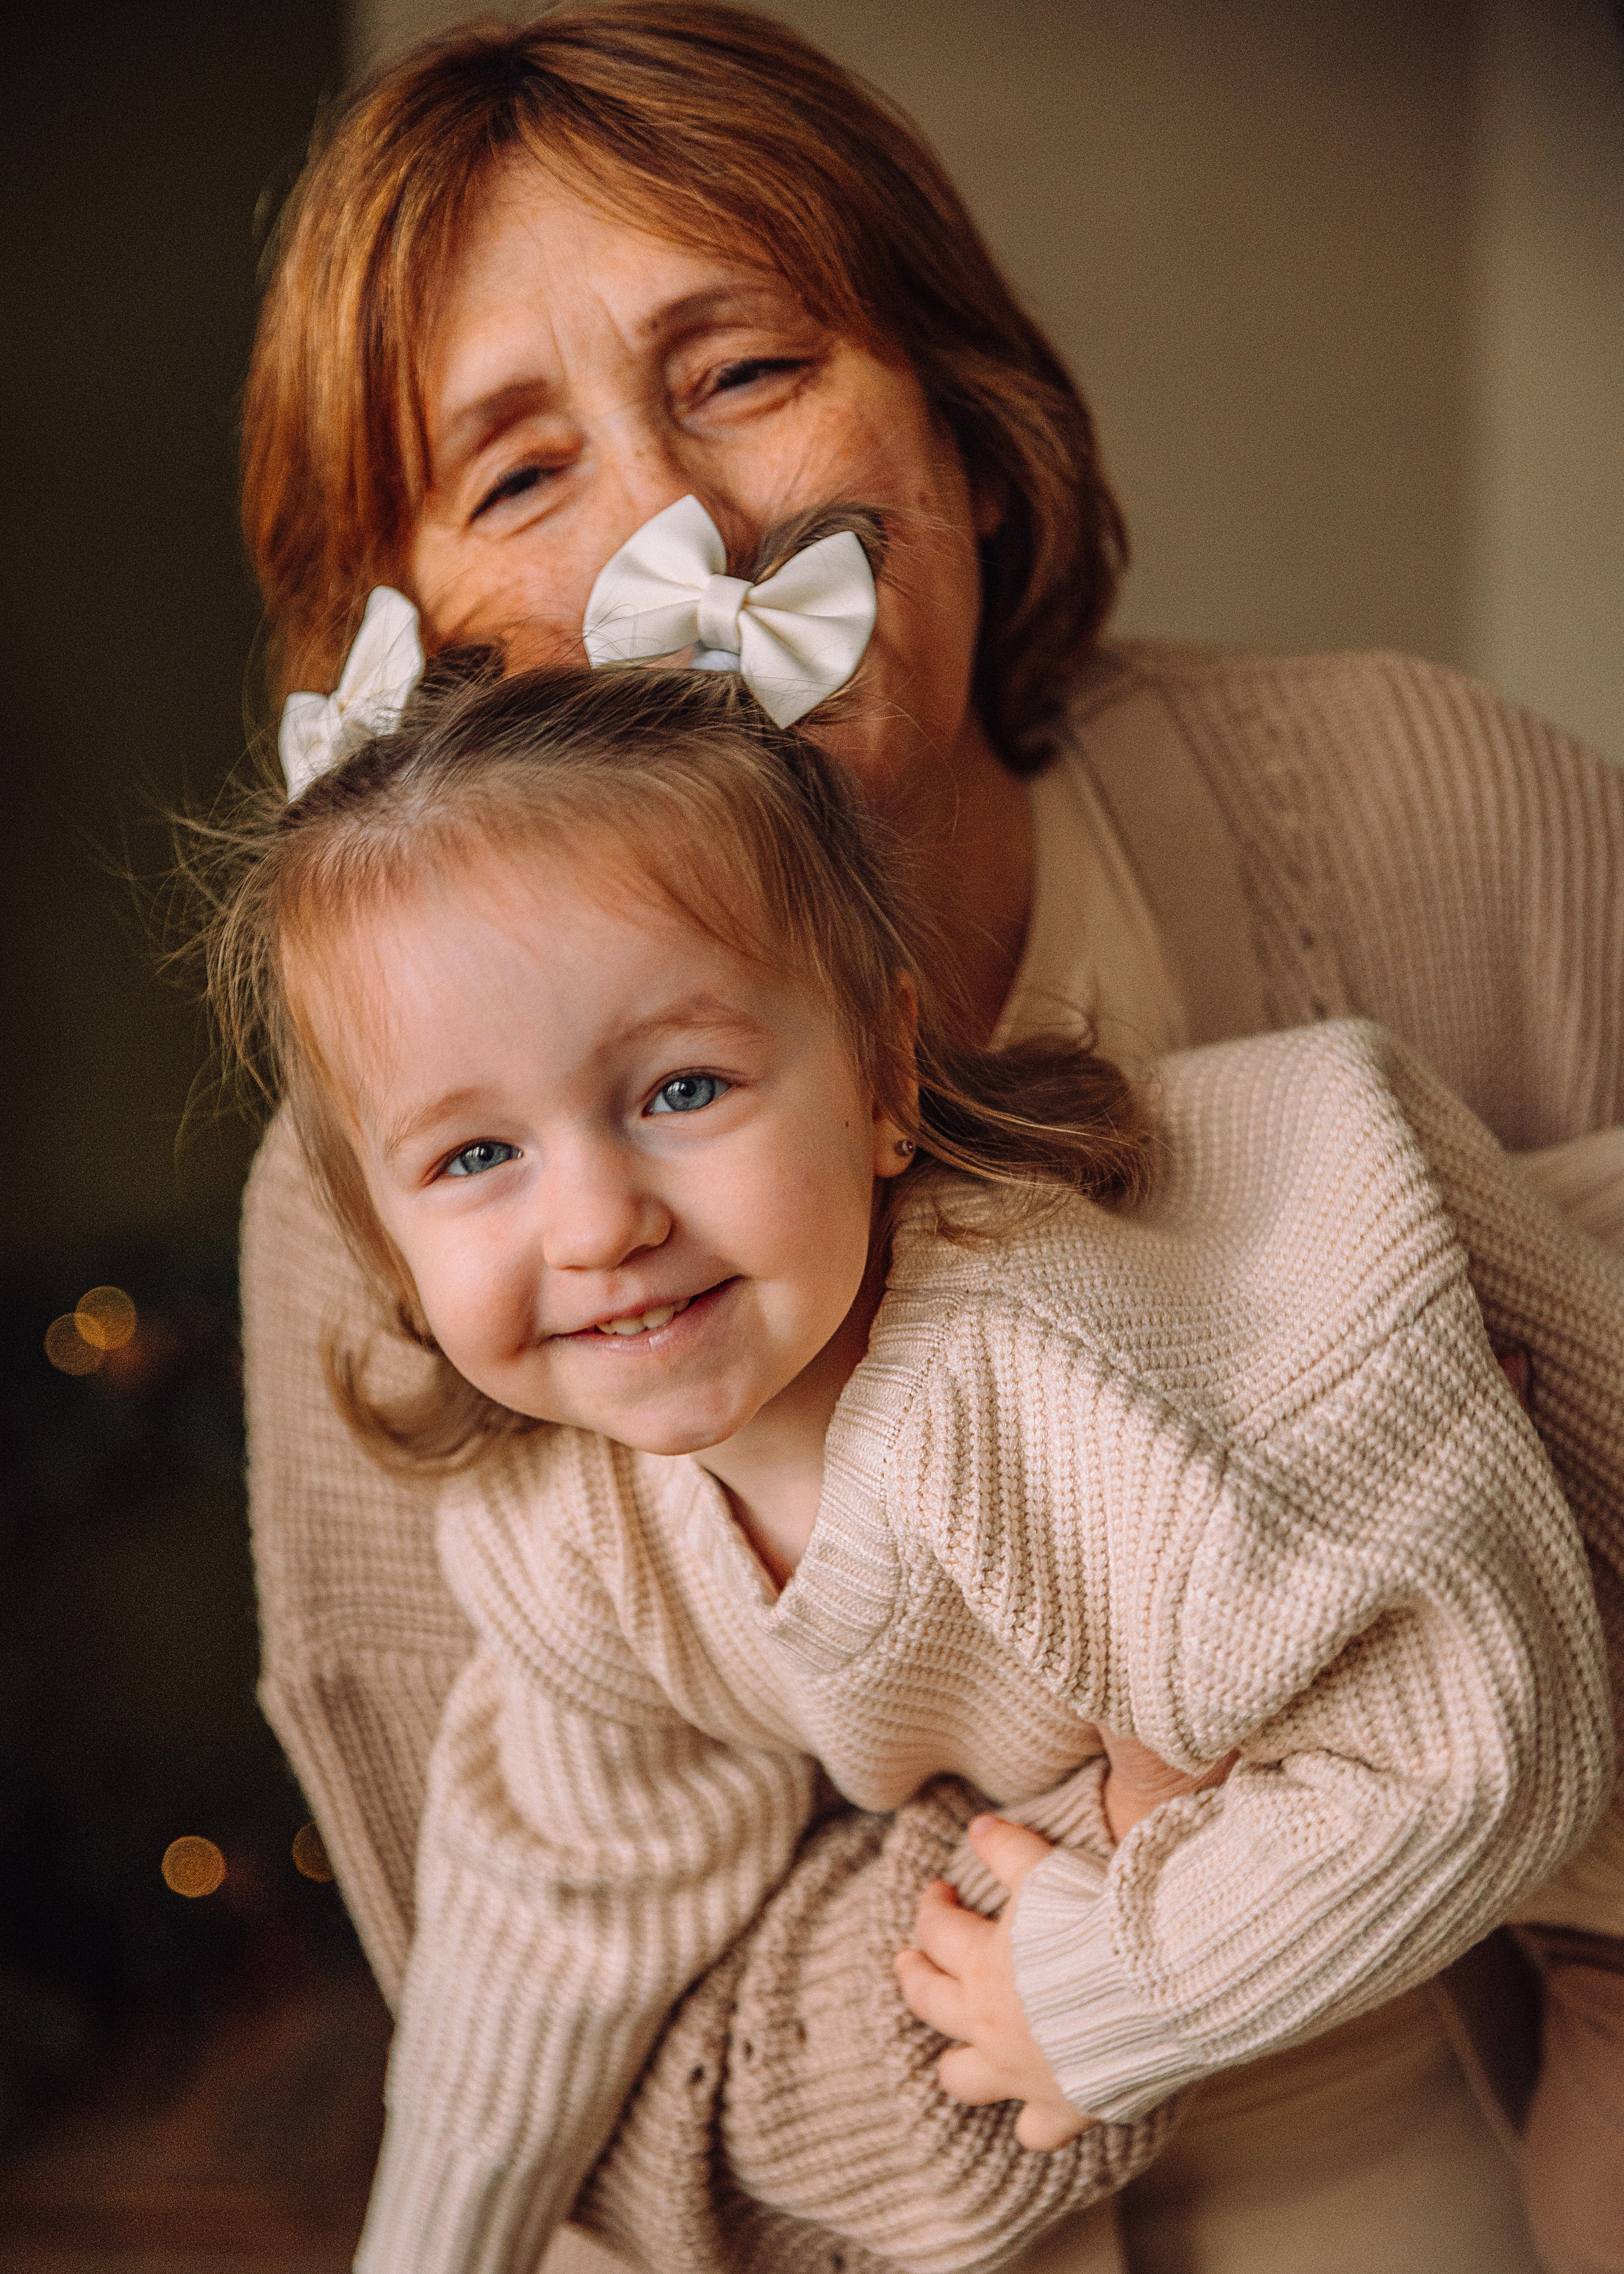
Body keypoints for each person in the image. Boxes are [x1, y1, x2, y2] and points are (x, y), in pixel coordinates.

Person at [235, 8, 1624, 2269]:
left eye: (747, 370)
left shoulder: (1424, 813)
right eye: (516, 471)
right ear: (413, 674)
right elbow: (571, 2025)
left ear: (965, 440)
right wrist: (1075, 1901)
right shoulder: (390, 1209)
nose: (678, 525)